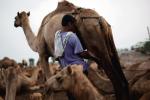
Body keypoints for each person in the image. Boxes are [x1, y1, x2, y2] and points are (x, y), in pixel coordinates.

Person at [54, 14, 91, 100]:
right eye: (74, 24)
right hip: (79, 71)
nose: (75, 27)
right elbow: (81, 53)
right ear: (69, 24)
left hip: (66, 73)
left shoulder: (57, 38)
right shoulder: (72, 36)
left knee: (72, 97)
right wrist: (92, 53)